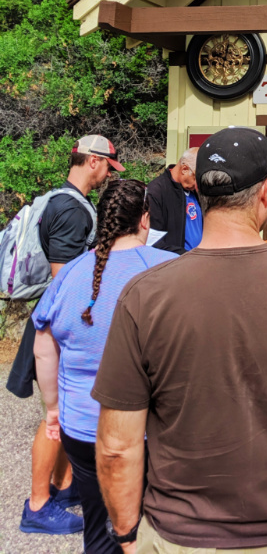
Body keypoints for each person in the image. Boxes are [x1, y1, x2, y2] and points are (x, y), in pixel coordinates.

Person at [92, 126, 267, 553]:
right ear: (266, 194)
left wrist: (126, 535)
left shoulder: (145, 293)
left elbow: (117, 445)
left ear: (197, 193)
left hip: (179, 534)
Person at [33, 180, 176, 553]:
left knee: (100, 525)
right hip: (150, 430)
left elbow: (44, 348)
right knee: (150, 526)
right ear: (145, 219)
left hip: (81, 427)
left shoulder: (71, 273)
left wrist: (52, 410)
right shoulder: (171, 269)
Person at [7, 134, 124, 537]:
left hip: (52, 321)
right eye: (109, 165)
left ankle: (60, 488)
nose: (110, 173)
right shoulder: (72, 210)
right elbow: (64, 279)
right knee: (53, 420)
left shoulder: (60, 199)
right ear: (92, 161)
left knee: (65, 413)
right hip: (56, 326)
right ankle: (38, 505)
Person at [146, 148, 202, 254]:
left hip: (199, 262)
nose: (197, 185)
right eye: (196, 178)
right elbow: (153, 242)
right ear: (184, 169)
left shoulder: (194, 191)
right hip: (177, 264)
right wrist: (184, 256)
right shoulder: (156, 192)